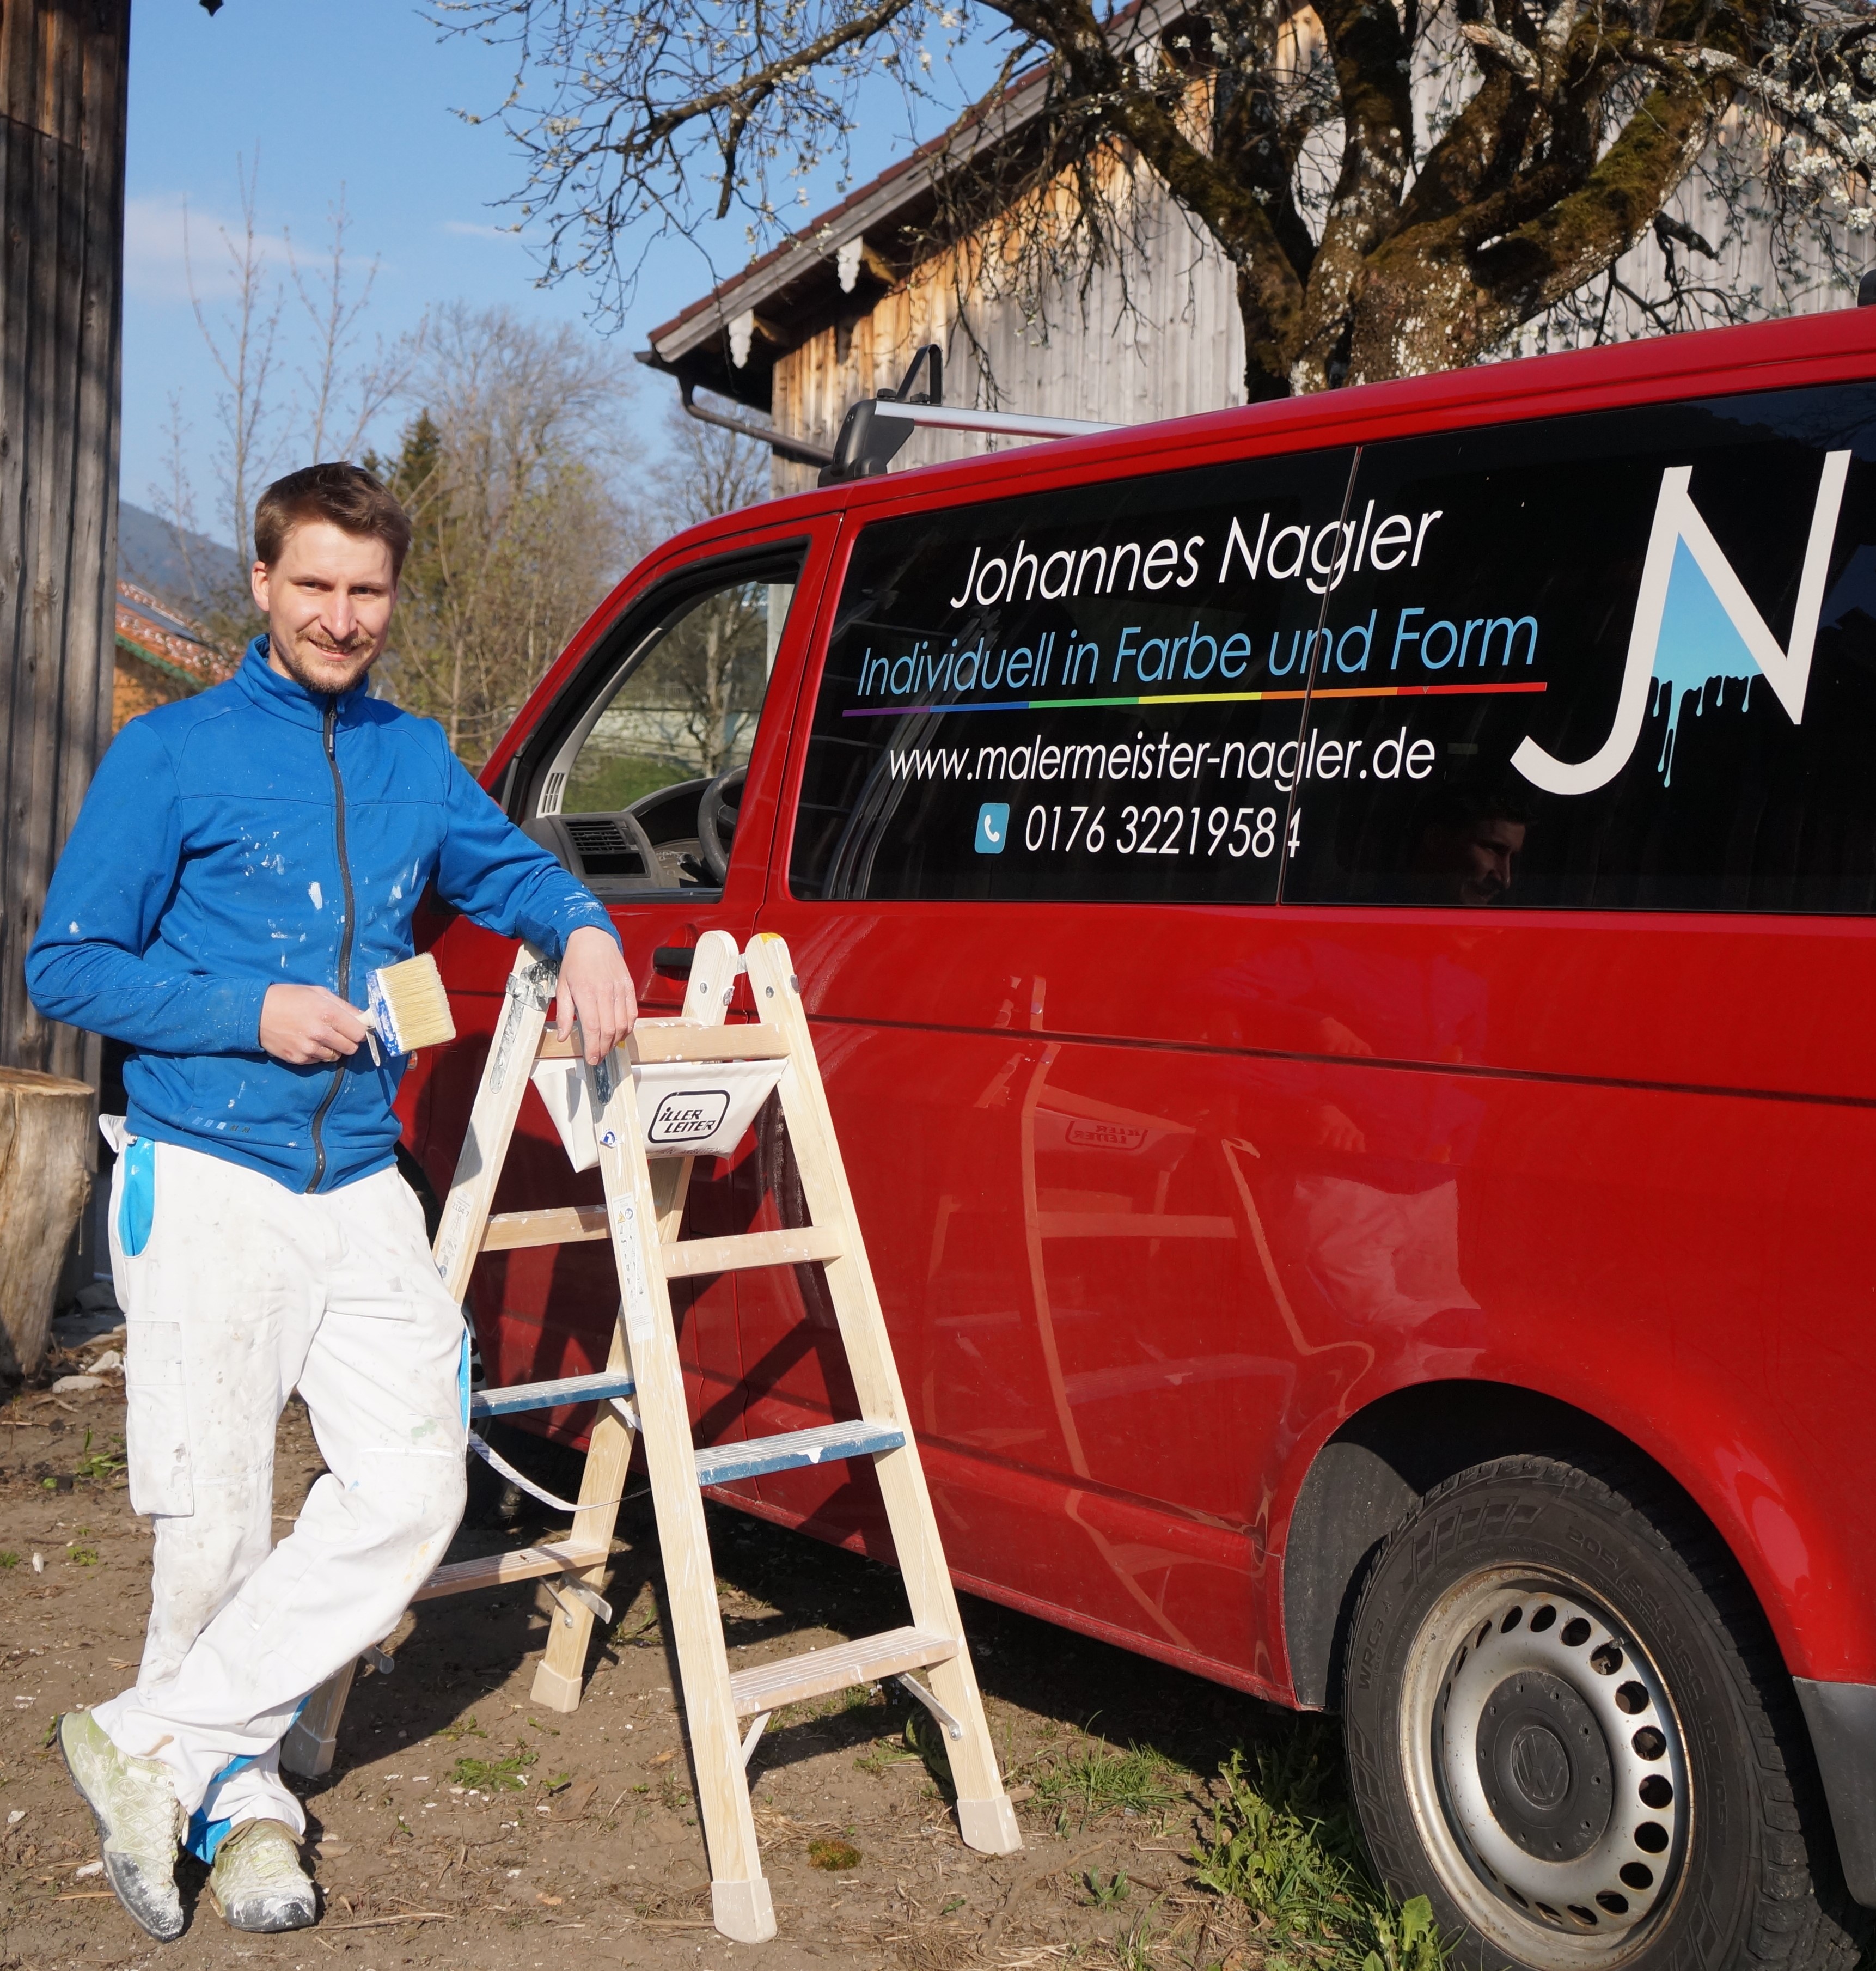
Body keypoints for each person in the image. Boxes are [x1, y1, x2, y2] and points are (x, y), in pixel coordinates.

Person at [25, 463, 635, 1942]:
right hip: (207, 1170)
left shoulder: (412, 755)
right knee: (216, 1520)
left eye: (367, 591)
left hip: (360, 1178)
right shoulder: (169, 753)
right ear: (262, 583)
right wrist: (252, 1009)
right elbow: (68, 964)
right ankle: (243, 1812)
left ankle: (153, 1739)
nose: (342, 616)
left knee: (418, 1487)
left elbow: (508, 871)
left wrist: (585, 926)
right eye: (315, 585)